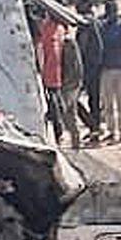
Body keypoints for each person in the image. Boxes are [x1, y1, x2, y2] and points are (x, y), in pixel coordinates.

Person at [36, 13, 82, 148]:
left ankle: (69, 141)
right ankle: (75, 142)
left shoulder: (66, 42)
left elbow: (70, 65)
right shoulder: (65, 38)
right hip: (69, 81)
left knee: (65, 113)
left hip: (66, 82)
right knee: (70, 113)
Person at [98, 0, 121, 142]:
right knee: (109, 103)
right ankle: (114, 130)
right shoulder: (120, 26)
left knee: (120, 102)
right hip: (111, 67)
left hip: (116, 67)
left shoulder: (119, 27)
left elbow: (111, 42)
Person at [74, 0, 104, 142]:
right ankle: (95, 127)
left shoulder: (86, 24)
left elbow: (82, 48)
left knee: (72, 99)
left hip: (88, 67)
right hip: (97, 66)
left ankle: (92, 126)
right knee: (94, 99)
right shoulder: (97, 22)